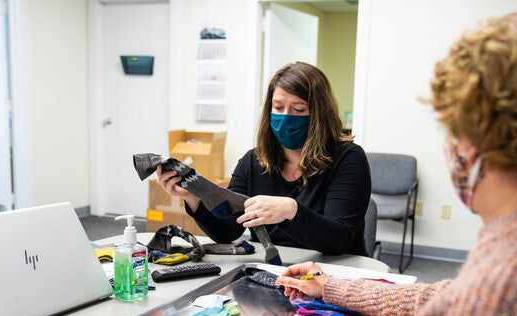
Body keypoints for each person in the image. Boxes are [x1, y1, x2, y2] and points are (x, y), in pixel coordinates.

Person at [277, 9, 517, 316]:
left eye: (453, 124)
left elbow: (475, 304)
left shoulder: (506, 299)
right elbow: (444, 299)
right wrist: (332, 287)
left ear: (480, 143)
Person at [158, 62, 371, 256]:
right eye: (278, 108)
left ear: (319, 114)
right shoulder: (253, 161)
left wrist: (291, 210)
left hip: (336, 271)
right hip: (275, 269)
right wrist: (194, 197)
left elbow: (338, 240)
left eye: (298, 109)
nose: (286, 116)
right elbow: (228, 231)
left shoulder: (348, 158)